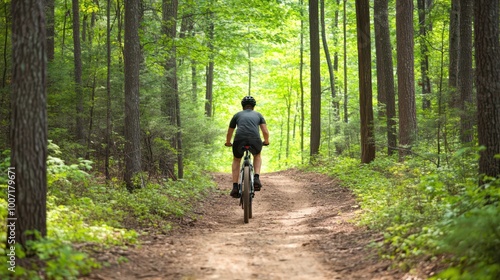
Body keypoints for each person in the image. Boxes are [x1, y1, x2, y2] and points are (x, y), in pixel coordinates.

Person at [225, 96, 270, 198]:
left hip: (239, 140)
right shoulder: (259, 115)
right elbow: (265, 131)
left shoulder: (237, 115)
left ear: (242, 106)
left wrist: (228, 142)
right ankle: (257, 177)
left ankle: (235, 187)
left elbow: (229, 132)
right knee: (257, 155)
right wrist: (266, 141)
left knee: (237, 159)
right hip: (255, 140)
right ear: (253, 107)